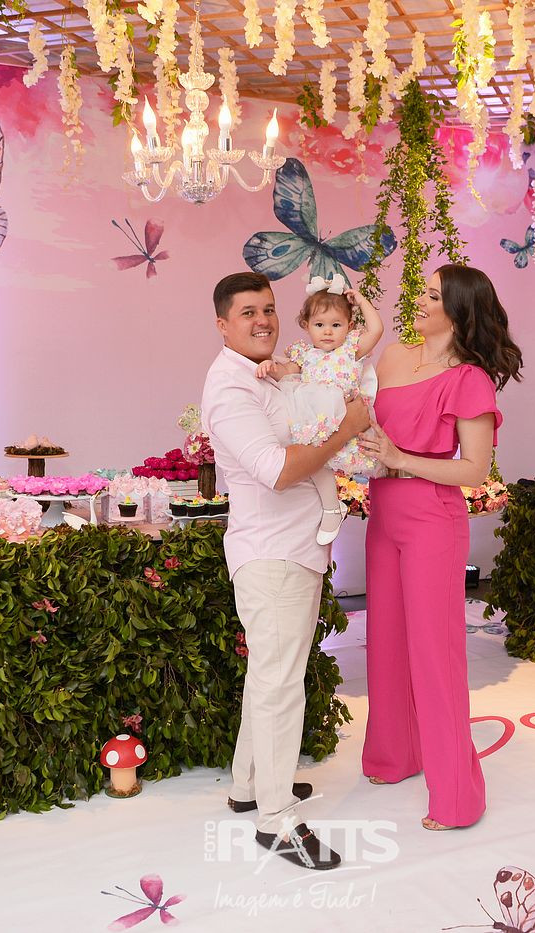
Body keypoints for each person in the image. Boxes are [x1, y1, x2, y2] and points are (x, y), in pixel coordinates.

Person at [200, 271, 372, 870]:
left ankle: (249, 785)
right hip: (272, 554)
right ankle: (275, 819)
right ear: (222, 324)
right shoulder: (230, 389)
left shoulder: (266, 374)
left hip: (293, 547)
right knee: (279, 686)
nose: (263, 321)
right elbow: (276, 471)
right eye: (248, 312)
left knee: (271, 676)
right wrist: (348, 430)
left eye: (269, 309)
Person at [357, 264, 523, 831]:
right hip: (383, 512)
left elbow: (474, 470)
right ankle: (394, 757)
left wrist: (401, 459)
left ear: (456, 310)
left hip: (433, 518)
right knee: (385, 642)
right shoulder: (392, 358)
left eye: (431, 295)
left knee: (435, 655)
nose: (419, 301)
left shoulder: (469, 379)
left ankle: (457, 797)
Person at [255, 272, 385, 545]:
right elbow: (286, 372)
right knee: (315, 462)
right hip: (319, 423)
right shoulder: (305, 354)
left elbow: (376, 330)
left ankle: (341, 505)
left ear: (349, 326)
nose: (327, 331)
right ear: (306, 325)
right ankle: (330, 507)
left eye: (336, 325)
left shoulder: (350, 350)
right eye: (319, 324)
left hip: (347, 419)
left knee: (343, 468)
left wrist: (361, 300)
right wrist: (270, 367)